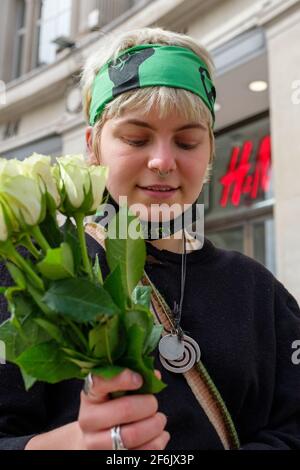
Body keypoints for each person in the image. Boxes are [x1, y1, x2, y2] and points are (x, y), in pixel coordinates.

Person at [0, 26, 300, 451]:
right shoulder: (30, 272)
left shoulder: (260, 291)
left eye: (188, 141)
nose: (162, 161)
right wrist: (69, 444)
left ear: (210, 150)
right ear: (92, 145)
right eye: (136, 138)